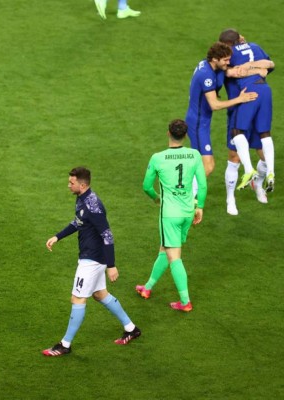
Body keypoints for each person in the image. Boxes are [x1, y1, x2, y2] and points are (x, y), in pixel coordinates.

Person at [41, 167, 141, 357]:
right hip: (92, 257)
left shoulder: (93, 206)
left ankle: (65, 344)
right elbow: (78, 222)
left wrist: (111, 265)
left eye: (72, 183)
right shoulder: (82, 199)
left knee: (77, 298)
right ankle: (131, 328)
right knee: (99, 294)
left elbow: (107, 235)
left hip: (92, 260)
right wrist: (57, 237)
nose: (68, 185)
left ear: (83, 184)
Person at [137, 119, 207, 312]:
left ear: (168, 133)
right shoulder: (194, 155)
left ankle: (185, 302)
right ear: (185, 135)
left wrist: (156, 198)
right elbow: (202, 185)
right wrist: (199, 206)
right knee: (165, 249)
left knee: (174, 256)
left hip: (169, 215)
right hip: (187, 213)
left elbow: (146, 187)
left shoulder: (158, 158)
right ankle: (147, 287)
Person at [185, 42, 258, 189]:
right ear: (215, 59)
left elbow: (231, 72)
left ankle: (186, 194)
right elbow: (215, 105)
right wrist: (240, 99)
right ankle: (184, 195)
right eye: (225, 60)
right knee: (208, 166)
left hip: (202, 120)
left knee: (202, 165)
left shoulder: (212, 66)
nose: (228, 62)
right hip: (197, 124)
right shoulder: (206, 75)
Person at [219, 29, 276, 193]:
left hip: (244, 98)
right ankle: (270, 173)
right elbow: (270, 64)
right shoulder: (255, 46)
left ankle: (250, 171)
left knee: (237, 133)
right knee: (265, 133)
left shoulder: (229, 54)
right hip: (264, 91)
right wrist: (257, 68)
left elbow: (231, 71)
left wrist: (247, 67)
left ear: (227, 45)